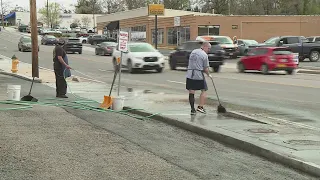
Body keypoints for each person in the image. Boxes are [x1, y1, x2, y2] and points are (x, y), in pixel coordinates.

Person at [186, 41, 212, 115]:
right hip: (198, 75)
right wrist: (209, 75)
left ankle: (192, 110)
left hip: (190, 74)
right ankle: (200, 107)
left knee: (191, 91)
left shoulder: (194, 51)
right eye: (209, 48)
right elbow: (205, 68)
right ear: (205, 46)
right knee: (204, 90)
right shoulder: (204, 55)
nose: (209, 50)